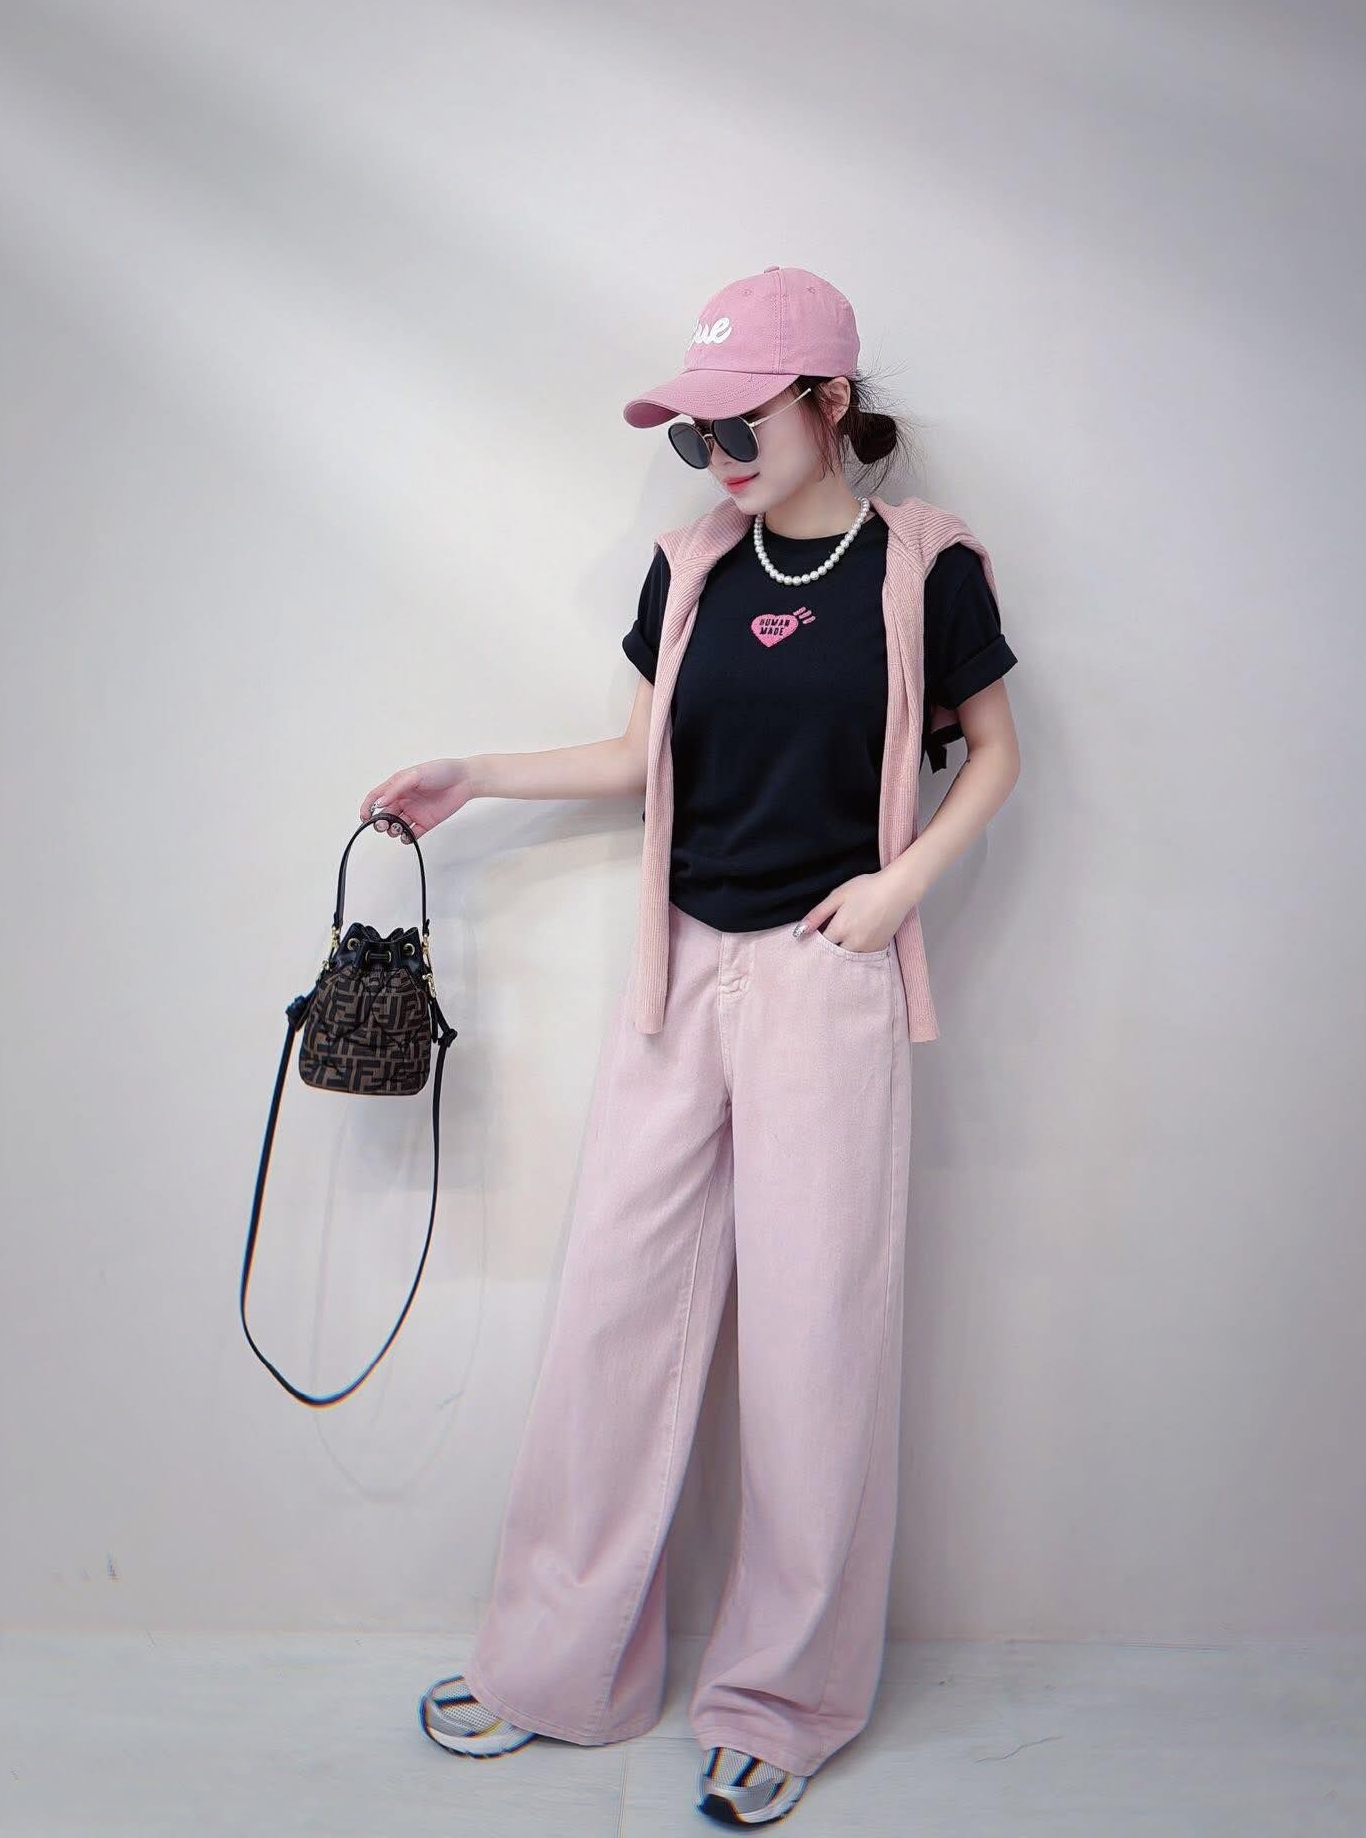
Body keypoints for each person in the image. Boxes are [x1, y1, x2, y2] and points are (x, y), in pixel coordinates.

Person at [360, 266, 1021, 1825]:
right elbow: (635, 754)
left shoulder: (923, 569)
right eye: (689, 434)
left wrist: (900, 887)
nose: (713, 456)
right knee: (617, 1314)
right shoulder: (693, 569)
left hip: (826, 974)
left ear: (827, 404)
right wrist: (477, 772)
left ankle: (782, 1700)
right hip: (677, 974)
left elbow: (995, 751)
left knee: (812, 1338)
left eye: (737, 425)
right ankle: (557, 1667)